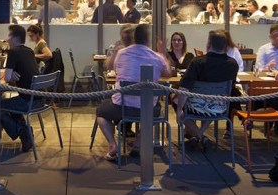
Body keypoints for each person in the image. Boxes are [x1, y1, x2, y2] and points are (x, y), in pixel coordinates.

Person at [95, 24, 173, 161]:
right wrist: (162, 52)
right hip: (147, 108)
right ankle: (137, 145)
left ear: (134, 37)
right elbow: (168, 73)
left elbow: (114, 69)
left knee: (101, 112)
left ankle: (113, 145)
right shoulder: (156, 57)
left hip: (121, 107)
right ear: (149, 40)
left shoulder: (122, 53)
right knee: (155, 112)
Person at [176, 30, 239, 147]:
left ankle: (199, 136)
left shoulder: (197, 62)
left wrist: (179, 109)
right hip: (220, 107)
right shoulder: (233, 64)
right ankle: (201, 136)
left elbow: (184, 89)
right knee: (211, 100)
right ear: (226, 45)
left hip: (197, 107)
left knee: (175, 99)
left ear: (208, 44)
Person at [0, 25, 40, 152]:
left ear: (16, 38)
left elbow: (6, 78)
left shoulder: (13, 52)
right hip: (40, 98)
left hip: (28, 100)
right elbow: (11, 77)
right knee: (10, 105)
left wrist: (10, 76)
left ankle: (23, 132)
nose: (7, 39)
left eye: (9, 36)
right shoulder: (29, 51)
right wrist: (11, 76)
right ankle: (25, 131)